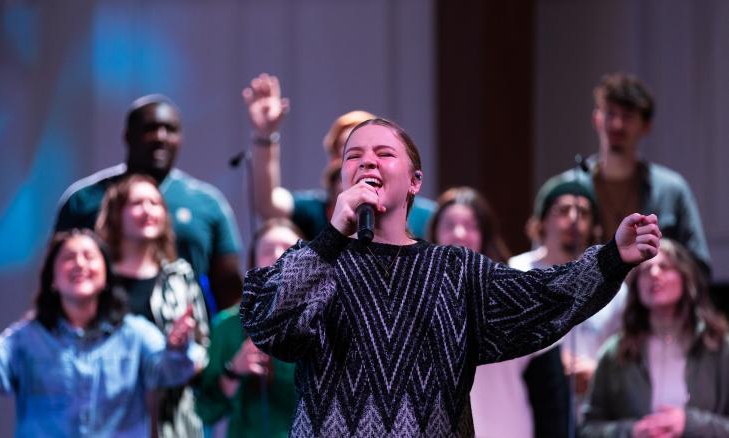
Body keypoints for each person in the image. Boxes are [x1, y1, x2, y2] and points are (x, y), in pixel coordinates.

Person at [240, 117, 662, 437]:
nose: (367, 160)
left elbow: (540, 296)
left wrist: (611, 259)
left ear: (414, 182)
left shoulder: (454, 270)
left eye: (384, 154)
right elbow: (268, 322)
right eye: (354, 156)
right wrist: (333, 236)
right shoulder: (319, 262)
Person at [0, 230, 199, 437]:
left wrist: (177, 348)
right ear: (53, 279)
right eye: (69, 257)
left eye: (89, 256)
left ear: (106, 276)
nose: (80, 263)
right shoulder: (27, 336)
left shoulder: (135, 333)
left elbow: (172, 372)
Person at [54, 94, 244, 310]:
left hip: (183, 333)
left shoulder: (207, 203)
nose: (160, 137)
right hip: (101, 332)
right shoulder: (84, 200)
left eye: (170, 129)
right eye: (150, 128)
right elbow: (57, 275)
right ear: (128, 136)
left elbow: (230, 293)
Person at [427, 187, 569, 437]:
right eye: (449, 225)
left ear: (485, 234)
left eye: (471, 225)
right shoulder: (418, 297)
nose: (459, 234)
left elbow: (550, 394)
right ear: (435, 233)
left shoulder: (516, 293)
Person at [244, 73, 436, 240]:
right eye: (351, 153)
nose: (366, 162)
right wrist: (264, 136)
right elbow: (267, 204)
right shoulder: (315, 211)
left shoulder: (425, 217)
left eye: (381, 152)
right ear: (333, 161)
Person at [554, 72, 710, 276]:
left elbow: (698, 265)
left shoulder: (672, 189)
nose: (617, 125)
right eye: (610, 113)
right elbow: (544, 260)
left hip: (648, 303)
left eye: (627, 116)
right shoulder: (568, 188)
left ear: (646, 125)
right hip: (589, 305)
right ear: (596, 119)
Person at [95, 174, 210, 437]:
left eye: (155, 203)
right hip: (110, 418)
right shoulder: (99, 279)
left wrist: (182, 354)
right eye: (137, 203)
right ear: (116, 214)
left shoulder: (179, 275)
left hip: (173, 419)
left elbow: (203, 346)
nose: (148, 210)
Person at [580, 239, 729, 437]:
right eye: (645, 270)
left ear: (685, 278)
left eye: (664, 267)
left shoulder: (718, 347)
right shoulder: (614, 353)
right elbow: (588, 430)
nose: (654, 274)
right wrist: (632, 431)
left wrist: (690, 423)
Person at [516, 174, 627, 401]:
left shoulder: (613, 285)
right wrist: (551, 364)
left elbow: (627, 353)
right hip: (534, 404)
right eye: (563, 210)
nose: (574, 218)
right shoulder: (517, 271)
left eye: (584, 212)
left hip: (592, 407)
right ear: (542, 220)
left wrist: (598, 371)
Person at [197, 218, 303, 437]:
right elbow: (207, 411)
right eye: (267, 250)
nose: (278, 255)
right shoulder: (227, 326)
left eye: (288, 248)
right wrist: (233, 371)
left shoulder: (323, 321)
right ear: (252, 264)